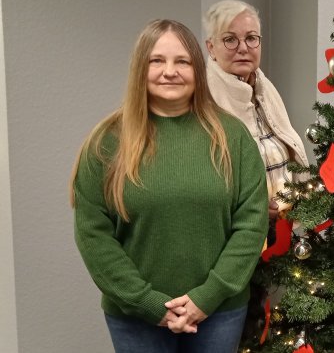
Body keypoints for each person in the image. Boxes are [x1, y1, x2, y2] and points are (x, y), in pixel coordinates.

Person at [70, 19, 269, 352]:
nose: (170, 71)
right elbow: (93, 235)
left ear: (197, 68)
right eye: (157, 61)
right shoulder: (105, 142)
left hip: (219, 311)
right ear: (140, 68)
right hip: (134, 315)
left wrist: (206, 298)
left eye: (182, 61)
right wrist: (148, 302)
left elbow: (251, 225)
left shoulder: (233, 137)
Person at [202, 0, 309, 343]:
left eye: (252, 38)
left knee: (274, 330)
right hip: (235, 242)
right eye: (230, 39)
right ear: (211, 47)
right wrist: (256, 209)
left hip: (280, 234)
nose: (243, 48)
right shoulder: (202, 100)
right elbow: (205, 180)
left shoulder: (263, 87)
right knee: (243, 334)